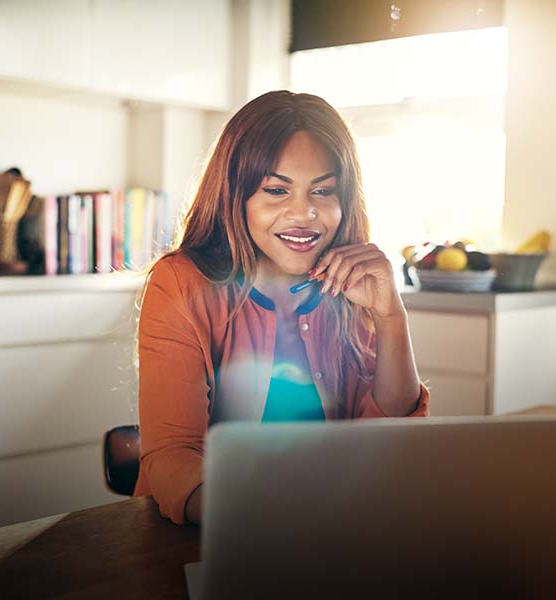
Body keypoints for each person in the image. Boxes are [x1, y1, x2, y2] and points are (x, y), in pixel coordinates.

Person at [133, 90, 430, 525]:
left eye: (323, 191)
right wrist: (255, 520)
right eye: (276, 190)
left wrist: (391, 317)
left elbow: (392, 442)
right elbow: (173, 453)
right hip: (212, 535)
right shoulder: (180, 282)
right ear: (236, 197)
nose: (304, 214)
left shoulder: (349, 286)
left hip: (332, 531)